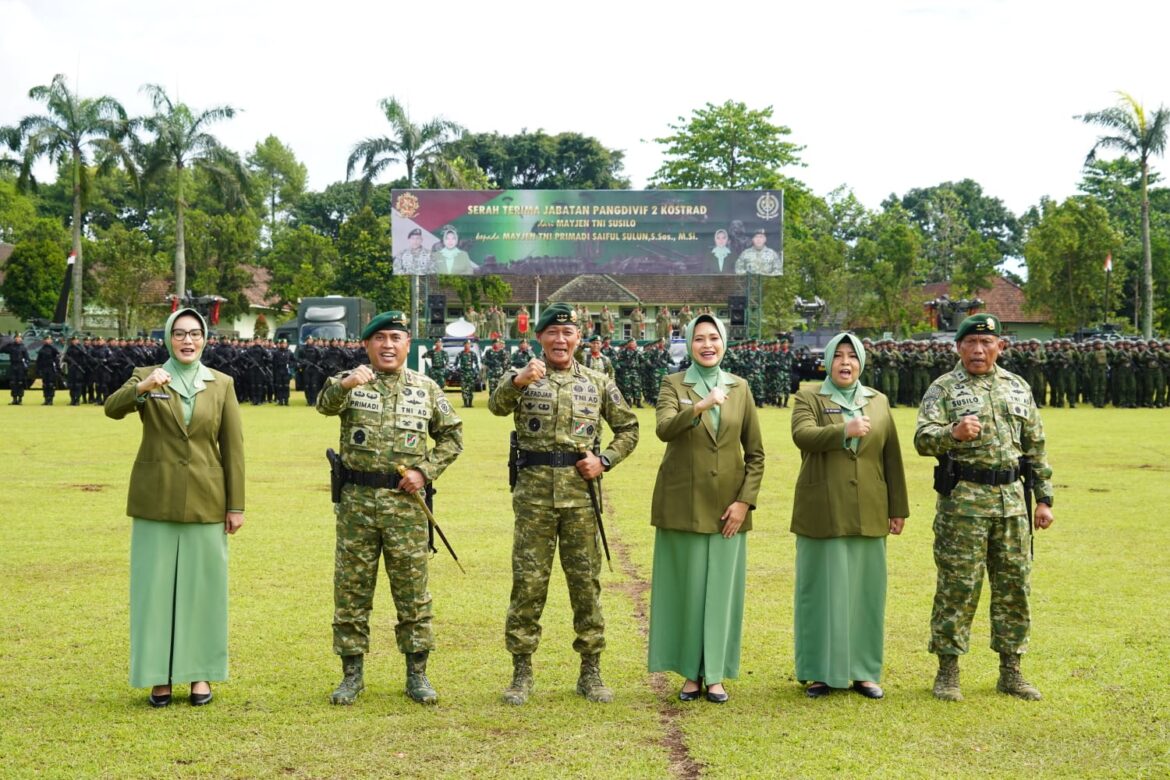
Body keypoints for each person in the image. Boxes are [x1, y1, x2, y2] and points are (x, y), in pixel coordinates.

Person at [489, 302, 639, 705]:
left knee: (585, 585)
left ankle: (590, 672)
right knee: (528, 584)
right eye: (552, 333)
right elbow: (495, 406)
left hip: (580, 499)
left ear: (578, 338)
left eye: (568, 333)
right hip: (534, 498)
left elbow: (628, 428)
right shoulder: (522, 376)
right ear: (539, 338)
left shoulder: (598, 381)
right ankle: (521, 673)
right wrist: (518, 381)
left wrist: (603, 460)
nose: (560, 340)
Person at [316, 311, 463, 705]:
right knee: (351, 591)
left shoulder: (426, 388)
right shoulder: (350, 384)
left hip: (406, 506)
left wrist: (424, 472)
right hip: (357, 505)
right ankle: (351, 675)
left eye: (395, 338)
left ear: (407, 344)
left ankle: (417, 675)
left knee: (413, 592)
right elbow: (324, 405)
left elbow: (452, 438)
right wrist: (346, 382)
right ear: (366, 345)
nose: (387, 345)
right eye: (379, 338)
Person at [104, 308, 245, 708]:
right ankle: (158, 677)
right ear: (168, 338)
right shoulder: (145, 374)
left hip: (207, 499)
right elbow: (112, 408)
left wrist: (236, 505)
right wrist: (144, 387)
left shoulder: (221, 384)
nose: (187, 340)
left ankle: (199, 673)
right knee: (154, 591)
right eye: (180, 333)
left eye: (195, 333)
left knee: (204, 591)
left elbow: (232, 449)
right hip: (155, 499)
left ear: (204, 339)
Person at [915, 314, 1054, 702]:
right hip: (963, 504)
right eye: (971, 344)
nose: (979, 350)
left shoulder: (1017, 387)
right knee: (958, 587)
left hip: (1012, 503)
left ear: (1000, 346)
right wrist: (951, 433)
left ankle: (1011, 670)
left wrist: (1043, 499)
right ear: (958, 347)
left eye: (986, 343)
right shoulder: (944, 388)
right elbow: (923, 439)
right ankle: (948, 671)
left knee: (1014, 587)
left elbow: (1035, 446)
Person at [647, 314, 764, 704]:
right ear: (689, 344)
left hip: (728, 509)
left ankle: (715, 674)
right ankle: (689, 674)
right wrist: (699, 406)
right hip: (684, 505)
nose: (707, 345)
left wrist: (743, 503)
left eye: (714, 338)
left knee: (721, 595)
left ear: (724, 343)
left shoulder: (740, 388)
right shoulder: (673, 384)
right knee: (687, 591)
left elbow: (756, 453)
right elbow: (664, 429)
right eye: (699, 339)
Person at [790, 332, 909, 699]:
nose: (845, 363)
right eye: (838, 356)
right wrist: (844, 429)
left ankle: (864, 671)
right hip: (822, 508)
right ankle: (820, 671)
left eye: (852, 356)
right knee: (820, 591)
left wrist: (897, 508)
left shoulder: (878, 401)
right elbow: (803, 435)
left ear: (861, 362)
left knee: (866, 592)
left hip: (870, 508)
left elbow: (891, 456)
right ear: (826, 362)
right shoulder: (809, 396)